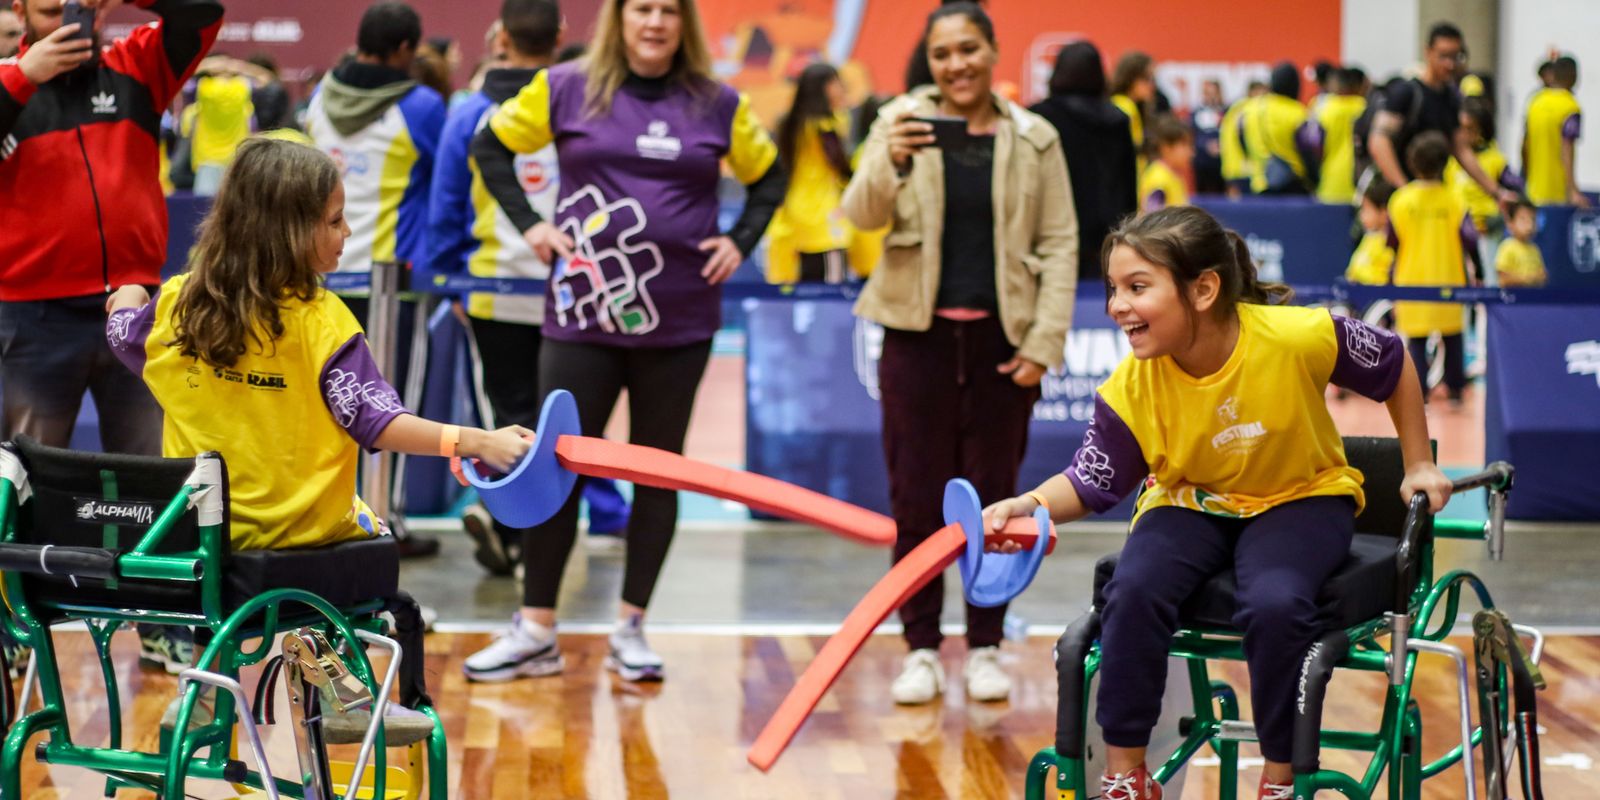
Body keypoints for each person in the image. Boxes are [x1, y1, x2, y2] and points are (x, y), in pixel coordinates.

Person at [981, 205, 1448, 800]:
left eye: (1137, 287)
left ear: (1203, 289)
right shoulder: (1132, 384)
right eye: (1114, 289)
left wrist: (1419, 463)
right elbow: (1094, 478)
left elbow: (1393, 361)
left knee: (1277, 604)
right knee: (1132, 590)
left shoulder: (1295, 336)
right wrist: (1030, 503)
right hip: (1189, 504)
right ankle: (1126, 774)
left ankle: (1280, 777)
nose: (1117, 305)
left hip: (1300, 498)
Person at [104, 135, 527, 737]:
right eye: (333, 221)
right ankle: (335, 683)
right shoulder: (323, 322)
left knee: (248, 560)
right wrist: (479, 441)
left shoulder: (177, 309)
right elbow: (380, 423)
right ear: (287, 232)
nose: (347, 232)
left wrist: (127, 298)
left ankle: (208, 676)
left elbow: (124, 336)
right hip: (299, 545)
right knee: (365, 526)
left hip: (201, 545)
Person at [464, 0, 787, 684]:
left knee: (657, 471)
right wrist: (529, 225)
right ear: (620, 17)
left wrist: (743, 240)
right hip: (581, 317)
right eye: (642, 7)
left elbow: (771, 177)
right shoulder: (565, 86)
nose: (655, 21)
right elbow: (489, 146)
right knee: (554, 467)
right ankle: (535, 629)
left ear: (683, 24)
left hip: (680, 320)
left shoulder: (718, 102)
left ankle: (633, 627)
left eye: (669, 9)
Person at [842, 2, 1077, 706]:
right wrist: (890, 158)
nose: (957, 65)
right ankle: (918, 647)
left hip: (1003, 347)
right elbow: (859, 215)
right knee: (915, 501)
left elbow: (1063, 241)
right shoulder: (897, 121)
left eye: (969, 49)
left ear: (993, 51)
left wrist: (1042, 341)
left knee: (997, 505)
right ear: (930, 60)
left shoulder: (1035, 137)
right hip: (915, 341)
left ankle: (984, 646)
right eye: (943, 54)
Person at [0, 0, 223, 673]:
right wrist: (21, 74)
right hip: (33, 317)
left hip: (134, 313)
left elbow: (203, 11)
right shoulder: (12, 82)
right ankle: (14, 629)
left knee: (157, 478)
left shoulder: (138, 65)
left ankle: (161, 619)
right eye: (47, 6)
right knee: (21, 478)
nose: (69, 13)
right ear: (20, 11)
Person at [428, 0, 629, 577]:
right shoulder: (585, 102)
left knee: (511, 419)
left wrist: (450, 282)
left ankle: (515, 531)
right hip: (576, 292)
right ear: (562, 33)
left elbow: (447, 203)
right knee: (578, 415)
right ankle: (601, 516)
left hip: (494, 293)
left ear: (500, 36)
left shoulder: (469, 114)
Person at [305, 1, 447, 556]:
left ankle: (335, 516)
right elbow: (451, 175)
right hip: (391, 279)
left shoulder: (319, 96)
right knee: (391, 404)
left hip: (321, 275)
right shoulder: (422, 105)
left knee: (325, 406)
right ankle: (389, 523)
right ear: (407, 50)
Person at [1367, 23, 1513, 207]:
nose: (1450, 64)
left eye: (1456, 56)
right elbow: (1378, 143)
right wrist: (1405, 190)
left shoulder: (1452, 98)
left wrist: (1496, 193)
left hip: (1432, 200)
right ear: (1428, 52)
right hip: (1397, 202)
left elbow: (1462, 150)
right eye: (1443, 56)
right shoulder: (1405, 93)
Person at [1029, 40, 1135, 282]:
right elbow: (1128, 181)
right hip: (1108, 237)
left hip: (1053, 231)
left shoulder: (1040, 116)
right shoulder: (1118, 119)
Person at [1389, 131, 1479, 407]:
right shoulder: (1455, 200)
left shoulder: (1400, 200)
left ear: (1412, 163)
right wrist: (1479, 272)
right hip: (1449, 277)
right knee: (1453, 335)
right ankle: (1455, 388)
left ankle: (1421, 391)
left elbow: (1392, 241)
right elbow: (1470, 239)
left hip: (1411, 279)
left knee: (1417, 338)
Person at [765, 61, 871, 283]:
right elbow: (842, 167)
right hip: (824, 220)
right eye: (836, 83)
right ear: (824, 87)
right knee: (831, 293)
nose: (841, 89)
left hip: (794, 218)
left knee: (802, 290)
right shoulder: (824, 126)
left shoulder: (788, 125)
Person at [1241, 62, 1318, 195]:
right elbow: (1307, 150)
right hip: (1293, 186)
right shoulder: (1297, 112)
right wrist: (1315, 180)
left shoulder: (1249, 108)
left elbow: (1241, 139)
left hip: (1259, 184)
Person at [1521, 55, 1586, 207]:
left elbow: (1524, 145)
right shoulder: (1570, 107)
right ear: (1574, 77)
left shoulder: (1534, 102)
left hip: (1532, 191)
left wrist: (1526, 177)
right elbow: (1567, 147)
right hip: (1557, 193)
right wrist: (1573, 190)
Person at [1313, 67, 1368, 204]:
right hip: (1362, 183)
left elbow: (1314, 147)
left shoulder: (1323, 110)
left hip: (1331, 183)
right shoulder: (1365, 107)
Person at [1346, 177, 1396, 286]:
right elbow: (1352, 270)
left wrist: (1361, 275)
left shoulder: (1390, 245)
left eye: (1366, 209)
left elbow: (1383, 279)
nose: (1361, 215)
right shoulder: (1368, 238)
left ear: (1384, 213)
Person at [1110, 50, 1155, 170]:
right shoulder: (1124, 107)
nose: (1151, 85)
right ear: (1131, 78)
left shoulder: (1129, 105)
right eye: (1147, 78)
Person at [1220, 81, 1265, 198]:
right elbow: (1242, 137)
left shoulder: (1235, 108)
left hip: (1232, 168)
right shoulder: (1248, 111)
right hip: (1245, 169)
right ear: (1252, 92)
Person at [1139, 114, 1191, 213]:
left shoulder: (1175, 176)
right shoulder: (1158, 178)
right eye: (1184, 145)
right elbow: (1152, 220)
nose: (1190, 152)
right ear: (1166, 147)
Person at [1495, 198, 1547, 287]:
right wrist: (1527, 279)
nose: (1529, 225)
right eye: (1523, 220)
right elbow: (1503, 279)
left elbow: (1542, 275)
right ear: (1510, 223)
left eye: (1533, 220)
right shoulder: (1507, 247)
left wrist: (1541, 277)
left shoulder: (1534, 249)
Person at [1190, 78, 1226, 195]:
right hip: (1202, 162)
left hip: (1222, 163)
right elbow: (1191, 135)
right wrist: (1205, 146)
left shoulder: (1227, 112)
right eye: (1208, 93)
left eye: (1214, 93)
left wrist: (1221, 145)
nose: (1211, 97)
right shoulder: (1196, 112)